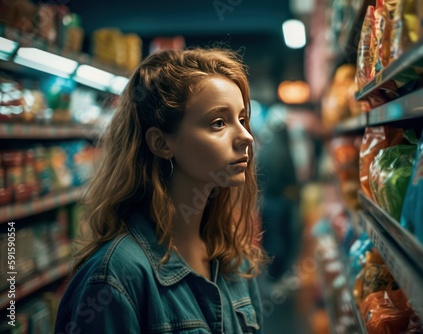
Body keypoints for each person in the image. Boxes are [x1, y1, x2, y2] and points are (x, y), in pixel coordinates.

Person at [55, 48, 266, 333]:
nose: (246, 136)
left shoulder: (232, 260)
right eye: (218, 123)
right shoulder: (115, 278)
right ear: (161, 143)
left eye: (242, 119)